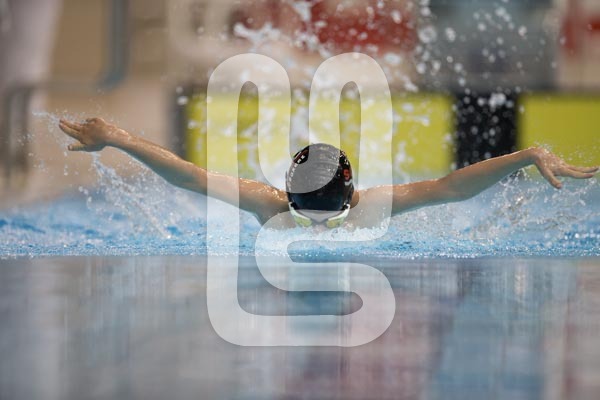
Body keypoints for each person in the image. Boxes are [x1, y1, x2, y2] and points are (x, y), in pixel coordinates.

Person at [58, 117, 598, 229]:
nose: (318, 228)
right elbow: (450, 189)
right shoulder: (369, 209)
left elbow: (187, 177)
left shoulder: (267, 203)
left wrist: (121, 139)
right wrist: (525, 155)